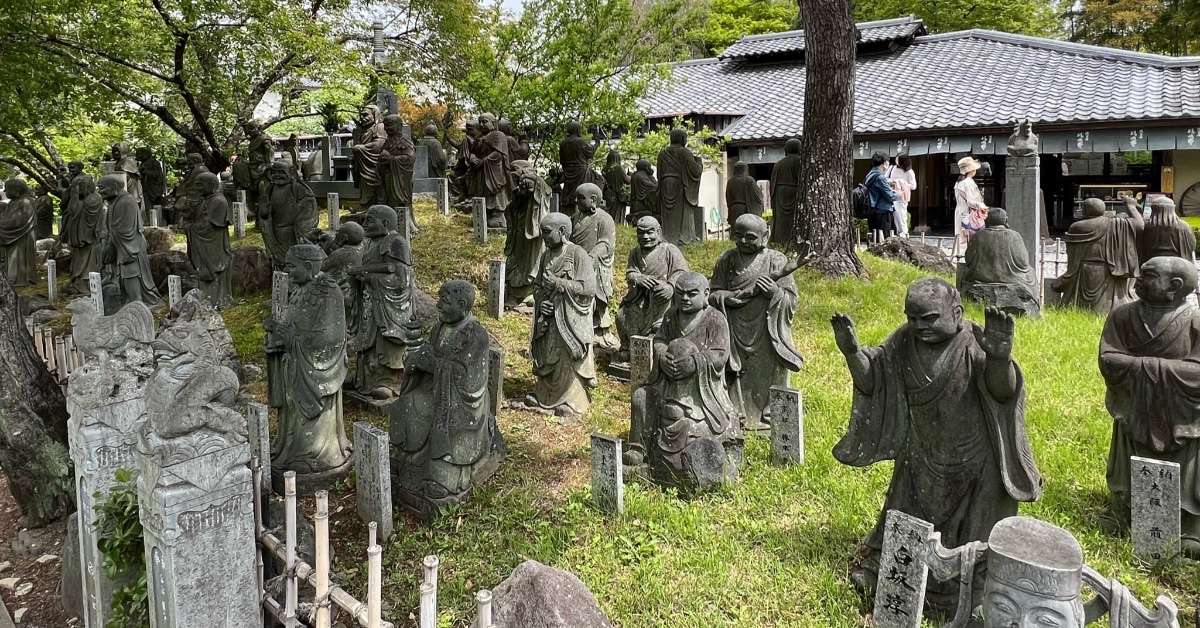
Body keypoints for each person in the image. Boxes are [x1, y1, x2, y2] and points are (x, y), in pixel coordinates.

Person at [830, 280, 1041, 612]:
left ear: (956, 313)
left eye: (928, 318)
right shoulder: (904, 341)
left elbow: (1004, 393)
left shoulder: (973, 343)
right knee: (903, 521)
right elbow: (874, 381)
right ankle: (894, 573)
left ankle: (970, 593)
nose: (918, 326)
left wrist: (1000, 359)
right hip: (921, 457)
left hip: (975, 466)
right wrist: (852, 353)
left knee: (978, 548)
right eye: (912, 318)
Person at [1100, 256, 1200, 559]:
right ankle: (1129, 510)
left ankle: (1191, 525)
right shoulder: (1123, 316)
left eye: (1148, 275)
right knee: (1131, 454)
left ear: (1175, 286)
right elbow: (1109, 359)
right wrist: (1157, 370)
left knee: (1190, 462)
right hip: (1135, 409)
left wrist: (1142, 367)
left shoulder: (1195, 320)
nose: (1137, 278)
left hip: (1183, 414)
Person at [390, 280, 507, 512]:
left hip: (460, 406)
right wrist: (416, 357)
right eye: (440, 299)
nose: (439, 305)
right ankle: (407, 462)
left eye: (445, 301)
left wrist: (433, 365)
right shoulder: (440, 327)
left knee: (442, 432)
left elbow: (469, 382)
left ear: (463, 305)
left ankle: (444, 475)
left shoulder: (475, 335)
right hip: (436, 392)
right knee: (408, 403)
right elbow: (430, 355)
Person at [627, 272, 742, 490]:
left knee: (690, 425)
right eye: (680, 294)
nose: (685, 299)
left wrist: (695, 362)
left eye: (692, 294)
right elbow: (659, 340)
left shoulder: (715, 319)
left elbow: (720, 355)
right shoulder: (671, 316)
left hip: (700, 393)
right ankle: (638, 447)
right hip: (668, 383)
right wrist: (662, 357)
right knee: (641, 397)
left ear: (706, 294)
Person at [267, 243, 352, 489]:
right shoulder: (299, 290)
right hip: (294, 364)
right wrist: (279, 337)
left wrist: (288, 336)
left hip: (313, 368)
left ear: (307, 266)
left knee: (309, 426)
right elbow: (295, 326)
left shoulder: (328, 292)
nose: (289, 273)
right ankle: (291, 448)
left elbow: (329, 338)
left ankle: (318, 453)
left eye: (292, 268)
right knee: (293, 416)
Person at [709, 214, 804, 430]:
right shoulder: (727, 259)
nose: (743, 241)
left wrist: (775, 293)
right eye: (739, 236)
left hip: (766, 329)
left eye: (750, 237)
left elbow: (790, 299)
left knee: (773, 367)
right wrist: (726, 297)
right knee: (735, 371)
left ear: (765, 236)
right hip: (734, 327)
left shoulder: (776, 260)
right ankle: (737, 413)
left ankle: (770, 414)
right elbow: (712, 292)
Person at [528, 212, 596, 417]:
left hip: (569, 319)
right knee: (549, 355)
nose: (543, 236)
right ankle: (544, 394)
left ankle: (571, 400)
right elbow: (538, 286)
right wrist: (542, 302)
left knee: (566, 358)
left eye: (547, 232)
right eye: (541, 232)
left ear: (563, 231)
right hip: (550, 318)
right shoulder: (545, 255)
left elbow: (589, 288)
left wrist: (560, 284)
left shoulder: (577, 254)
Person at [348, 205, 413, 400]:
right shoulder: (369, 243)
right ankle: (365, 380)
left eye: (370, 220)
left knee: (385, 340)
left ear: (385, 223)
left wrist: (370, 278)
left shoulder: (396, 242)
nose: (365, 225)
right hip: (370, 299)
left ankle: (389, 382)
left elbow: (402, 278)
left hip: (388, 303)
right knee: (367, 339)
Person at [1051, 197, 1143, 314]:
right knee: (1112, 304)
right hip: (1111, 269)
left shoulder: (1077, 227)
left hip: (1084, 271)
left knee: (1081, 306)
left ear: (1084, 210)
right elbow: (1140, 225)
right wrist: (1131, 206)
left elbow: (1073, 256)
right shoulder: (1114, 223)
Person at [615, 216, 689, 362]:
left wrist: (671, 286)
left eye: (650, 232)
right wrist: (637, 278)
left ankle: (658, 349)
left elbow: (681, 272)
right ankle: (630, 347)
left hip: (663, 300)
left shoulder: (669, 250)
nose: (646, 237)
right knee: (622, 316)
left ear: (659, 232)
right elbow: (631, 272)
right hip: (640, 298)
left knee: (663, 323)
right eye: (641, 233)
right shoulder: (635, 252)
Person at [98, 174, 161, 308]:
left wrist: (110, 244)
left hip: (130, 245)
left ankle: (138, 302)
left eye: (102, 188)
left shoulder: (126, 201)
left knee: (131, 273)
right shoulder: (115, 202)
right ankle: (132, 302)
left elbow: (124, 230)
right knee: (124, 275)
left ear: (113, 187)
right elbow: (112, 228)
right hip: (122, 245)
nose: (100, 192)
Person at [570, 183, 617, 348]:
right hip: (576, 265)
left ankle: (599, 331)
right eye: (576, 197)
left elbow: (606, 243)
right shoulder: (575, 218)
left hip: (595, 266)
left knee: (594, 299)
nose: (576, 201)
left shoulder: (604, 219)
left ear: (594, 200)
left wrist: (592, 257)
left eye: (581, 198)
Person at [504, 160, 550, 309]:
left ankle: (530, 293)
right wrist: (519, 194)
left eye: (516, 172)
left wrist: (534, 183)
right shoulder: (519, 188)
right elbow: (512, 206)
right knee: (515, 261)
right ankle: (514, 293)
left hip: (532, 233)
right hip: (518, 232)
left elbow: (544, 192)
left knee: (531, 263)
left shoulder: (539, 184)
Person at [186, 172, 233, 308]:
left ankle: (219, 300)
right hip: (206, 244)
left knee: (215, 270)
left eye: (200, 185)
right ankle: (208, 299)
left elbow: (208, 227)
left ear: (211, 185)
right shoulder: (207, 200)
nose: (198, 188)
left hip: (214, 245)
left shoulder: (218, 201)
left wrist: (190, 228)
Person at [657, 128, 703, 245]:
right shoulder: (685, 152)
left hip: (665, 185)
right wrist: (699, 163)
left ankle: (668, 236)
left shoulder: (662, 154)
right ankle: (683, 237)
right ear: (682, 139)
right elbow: (695, 171)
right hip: (680, 185)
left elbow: (659, 173)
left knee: (668, 214)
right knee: (683, 212)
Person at [62, 174, 105, 294]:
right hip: (80, 240)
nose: (78, 191)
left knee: (87, 264)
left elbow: (75, 211)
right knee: (78, 261)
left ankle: (85, 285)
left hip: (88, 238)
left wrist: (75, 195)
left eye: (80, 187)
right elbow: (71, 210)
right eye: (77, 188)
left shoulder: (93, 199)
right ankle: (77, 282)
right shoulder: (83, 199)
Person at [0, 179, 37, 286]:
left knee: (19, 258)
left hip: (22, 237)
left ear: (16, 190)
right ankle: (11, 277)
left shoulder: (27, 202)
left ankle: (20, 279)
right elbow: (8, 217)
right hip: (15, 237)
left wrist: (2, 223)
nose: (5, 191)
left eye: (7, 189)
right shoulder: (13, 202)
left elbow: (18, 221)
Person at [1138, 196, 1195, 262]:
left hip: (1152, 261)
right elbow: (1192, 245)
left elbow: (1141, 247)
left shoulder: (1146, 226)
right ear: (1172, 208)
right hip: (1178, 262)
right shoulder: (1184, 226)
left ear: (1153, 209)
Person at [558, 121, 596, 214]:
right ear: (578, 130)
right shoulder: (581, 142)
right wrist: (597, 143)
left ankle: (567, 212)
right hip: (580, 172)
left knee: (568, 194)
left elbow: (562, 160)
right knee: (581, 193)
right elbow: (590, 153)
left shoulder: (563, 143)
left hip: (567, 171)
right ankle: (580, 213)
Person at [769, 139, 802, 244]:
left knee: (781, 219)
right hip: (796, 190)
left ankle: (780, 239)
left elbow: (773, 183)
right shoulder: (800, 162)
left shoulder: (778, 164)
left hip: (780, 193)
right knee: (795, 218)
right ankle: (794, 240)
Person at [863, 152, 898, 240]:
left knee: (875, 239)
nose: (889, 164)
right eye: (888, 161)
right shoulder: (880, 177)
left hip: (873, 211)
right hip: (882, 212)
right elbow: (890, 196)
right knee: (884, 240)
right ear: (884, 163)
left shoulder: (870, 174)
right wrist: (899, 193)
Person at [954, 156, 988, 247]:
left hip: (960, 212)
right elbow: (970, 201)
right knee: (969, 239)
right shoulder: (968, 182)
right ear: (971, 170)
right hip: (968, 213)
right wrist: (981, 205)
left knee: (961, 238)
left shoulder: (959, 181)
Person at [886, 154, 915, 237]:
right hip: (893, 194)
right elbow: (885, 178)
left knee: (902, 214)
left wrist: (903, 183)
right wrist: (893, 181)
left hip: (903, 196)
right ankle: (898, 232)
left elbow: (913, 186)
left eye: (898, 159)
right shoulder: (892, 168)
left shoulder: (909, 171)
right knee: (895, 214)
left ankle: (904, 233)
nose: (896, 161)